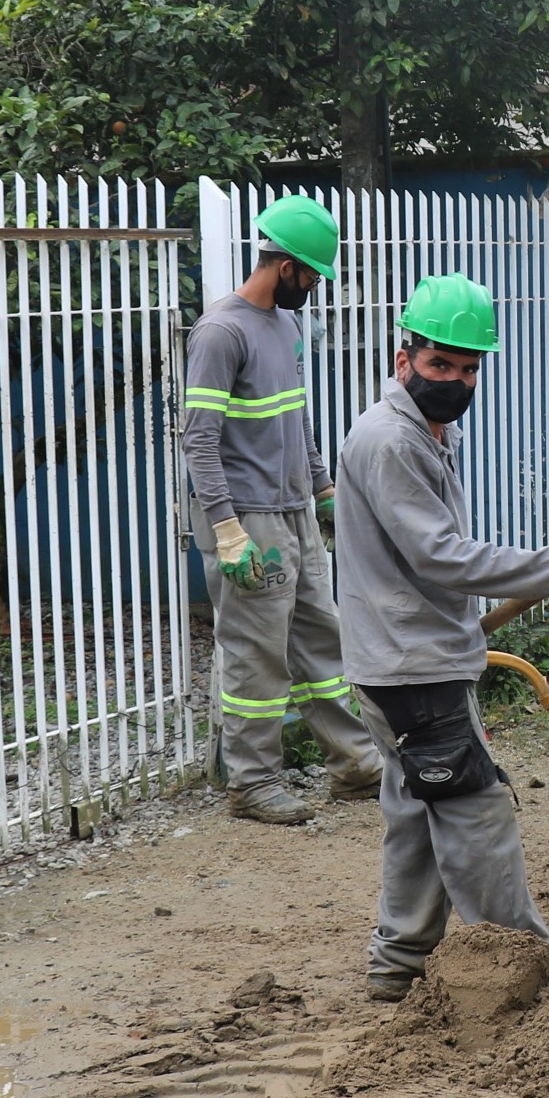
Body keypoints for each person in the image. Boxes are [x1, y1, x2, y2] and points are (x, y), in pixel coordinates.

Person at [336, 274, 549, 1001]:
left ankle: (398, 966)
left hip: (406, 656)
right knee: (477, 814)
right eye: (439, 364)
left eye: (469, 367)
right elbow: (439, 555)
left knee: (420, 811)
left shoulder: (422, 434)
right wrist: (547, 568)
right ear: (403, 360)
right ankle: (523, 968)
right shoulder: (392, 442)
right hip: (412, 667)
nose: (454, 379)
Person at [182, 195, 389, 826]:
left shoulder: (286, 326)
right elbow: (198, 437)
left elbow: (296, 415)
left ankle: (354, 764)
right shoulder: (221, 332)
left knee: (321, 639)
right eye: (313, 275)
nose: (315, 286)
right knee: (255, 652)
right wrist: (225, 530)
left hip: (292, 510)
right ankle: (252, 782)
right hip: (246, 520)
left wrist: (323, 489)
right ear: (286, 264)